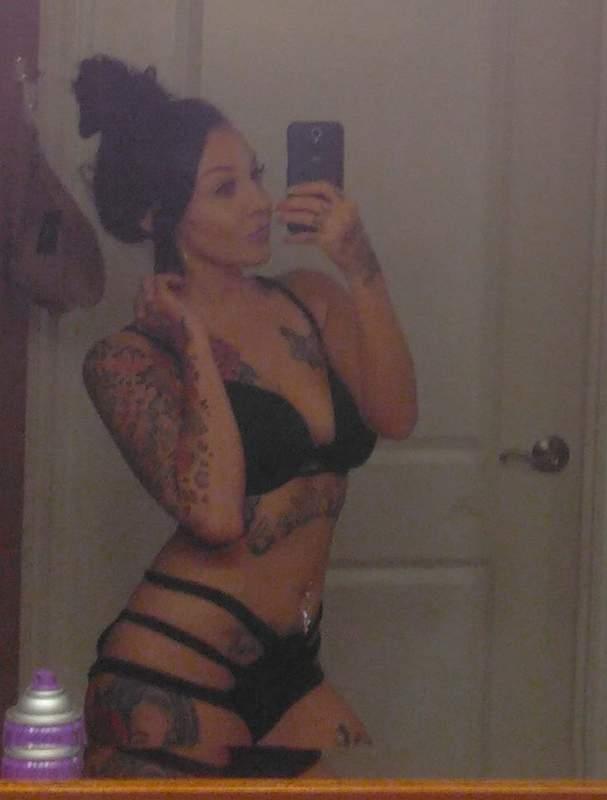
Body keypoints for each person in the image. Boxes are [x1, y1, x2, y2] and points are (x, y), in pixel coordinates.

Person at [72, 54, 417, 778]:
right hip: (171, 673)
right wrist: (194, 342)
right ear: (156, 215)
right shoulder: (127, 360)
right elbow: (214, 516)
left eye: (257, 176)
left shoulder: (309, 298)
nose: (260, 202)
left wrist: (359, 265)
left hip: (289, 665)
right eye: (226, 188)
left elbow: (396, 415)